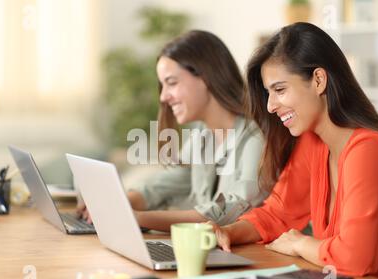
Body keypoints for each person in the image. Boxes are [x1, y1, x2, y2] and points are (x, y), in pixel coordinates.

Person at [212, 22, 378, 279]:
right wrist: (227, 232)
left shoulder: (370, 150)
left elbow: (356, 258)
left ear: (318, 80)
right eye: (269, 93)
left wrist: (301, 244)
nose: (270, 106)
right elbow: (277, 213)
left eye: (279, 90)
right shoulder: (314, 143)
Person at [78, 30, 266, 232]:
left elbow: (225, 214)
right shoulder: (202, 135)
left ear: (206, 77)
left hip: (253, 259)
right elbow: (172, 180)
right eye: (163, 85)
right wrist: (120, 202)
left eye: (172, 83)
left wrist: (135, 217)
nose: (163, 97)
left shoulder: (255, 138)